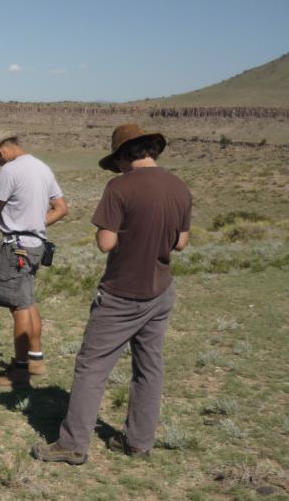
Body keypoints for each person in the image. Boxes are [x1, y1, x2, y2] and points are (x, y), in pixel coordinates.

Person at [34, 124, 191, 465]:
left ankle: (73, 444)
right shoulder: (179, 187)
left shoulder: (119, 187)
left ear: (124, 154)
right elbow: (181, 242)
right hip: (161, 289)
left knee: (92, 367)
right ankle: (138, 442)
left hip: (122, 292)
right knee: (149, 366)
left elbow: (106, 242)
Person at [0, 133, 68, 389]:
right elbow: (61, 208)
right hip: (36, 245)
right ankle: (36, 360)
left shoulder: (10, 171)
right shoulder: (42, 168)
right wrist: (36, 225)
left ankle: (19, 370)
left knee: (17, 307)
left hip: (16, 247)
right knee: (27, 301)